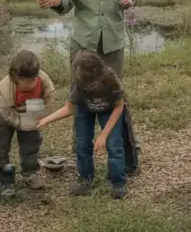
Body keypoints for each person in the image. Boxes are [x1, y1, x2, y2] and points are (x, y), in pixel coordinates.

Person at [36, 50, 128, 199]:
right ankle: (85, 178)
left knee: (114, 144)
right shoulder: (79, 80)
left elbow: (119, 107)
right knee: (82, 144)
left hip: (109, 109)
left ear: (97, 73)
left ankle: (118, 181)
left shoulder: (111, 79)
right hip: (85, 109)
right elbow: (69, 108)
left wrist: (103, 135)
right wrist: (46, 119)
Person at [0, 49, 56, 194]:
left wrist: (37, 119)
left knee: (31, 143)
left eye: (33, 80)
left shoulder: (44, 82)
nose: (30, 84)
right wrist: (20, 124)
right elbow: (6, 112)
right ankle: (2, 171)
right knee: (0, 143)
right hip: (6, 114)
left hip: (30, 111)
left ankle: (30, 173)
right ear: (15, 78)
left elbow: (48, 104)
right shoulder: (6, 87)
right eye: (25, 81)